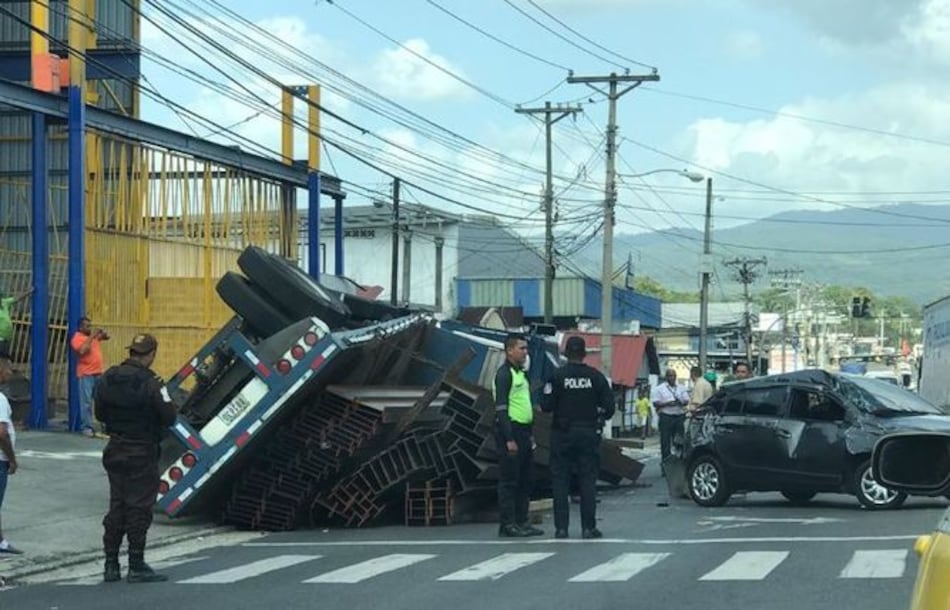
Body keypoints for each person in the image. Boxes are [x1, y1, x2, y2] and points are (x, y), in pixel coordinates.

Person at [95, 334, 176, 583]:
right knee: (138, 507)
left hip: (115, 448)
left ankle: (110, 564)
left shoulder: (108, 378)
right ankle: (136, 564)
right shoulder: (152, 383)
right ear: (151, 355)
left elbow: (99, 413)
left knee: (117, 505)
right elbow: (170, 417)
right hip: (142, 451)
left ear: (131, 352)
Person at [542, 336, 614, 539]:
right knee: (587, 480)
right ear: (584, 354)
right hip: (588, 434)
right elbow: (609, 408)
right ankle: (588, 528)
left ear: (566, 353)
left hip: (562, 434)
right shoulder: (596, 377)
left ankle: (561, 528)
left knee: (560, 481)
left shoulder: (556, 376)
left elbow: (546, 405)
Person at [493, 333, 543, 538]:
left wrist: (530, 434)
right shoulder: (504, 374)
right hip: (511, 431)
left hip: (524, 431)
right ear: (509, 350)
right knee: (509, 480)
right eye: (521, 348)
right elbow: (501, 408)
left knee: (525, 479)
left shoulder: (521, 373)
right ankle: (508, 524)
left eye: (526, 348)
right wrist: (509, 438)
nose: (525, 352)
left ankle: (522, 521)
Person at [70, 316, 110, 437]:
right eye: (87, 326)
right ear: (80, 327)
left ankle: (104, 425)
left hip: (98, 372)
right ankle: (86, 427)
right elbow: (83, 351)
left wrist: (103, 333)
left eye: (90, 326)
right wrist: (92, 336)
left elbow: (107, 337)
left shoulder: (92, 337)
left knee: (101, 400)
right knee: (86, 402)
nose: (89, 328)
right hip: (86, 374)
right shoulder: (77, 338)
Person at [0, 358, 21, 555]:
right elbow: (2, 433)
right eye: (7, 369)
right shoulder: (0, 400)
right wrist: (12, 459)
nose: (10, 373)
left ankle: (1, 541)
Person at [651, 369, 690, 460]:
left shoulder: (681, 388)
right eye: (670, 376)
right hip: (666, 417)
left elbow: (686, 400)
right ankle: (666, 461)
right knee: (665, 440)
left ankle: (679, 460)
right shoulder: (659, 388)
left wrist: (681, 401)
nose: (672, 378)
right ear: (666, 377)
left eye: (673, 376)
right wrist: (667, 403)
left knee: (679, 440)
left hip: (679, 417)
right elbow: (655, 403)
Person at [0, 288, 33, 359]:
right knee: (3, 359)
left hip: (6, 338)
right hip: (1, 338)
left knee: (4, 359)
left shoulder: (4, 303)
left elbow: (16, 298)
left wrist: (28, 291)